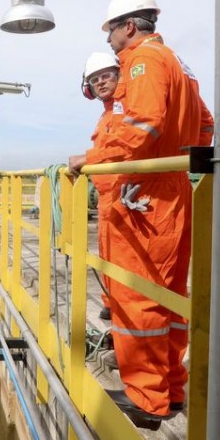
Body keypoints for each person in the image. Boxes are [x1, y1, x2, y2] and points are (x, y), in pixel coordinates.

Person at [87, 0, 214, 424]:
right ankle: (171, 391)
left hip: (141, 195)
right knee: (168, 297)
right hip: (172, 189)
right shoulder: (179, 65)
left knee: (135, 296)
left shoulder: (142, 62)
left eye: (111, 32)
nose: (109, 42)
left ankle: (146, 401)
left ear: (128, 26)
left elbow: (142, 125)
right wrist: (175, 163)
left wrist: (92, 161)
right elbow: (205, 125)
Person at [69, 51, 124, 324]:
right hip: (108, 198)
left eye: (106, 76)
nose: (101, 83)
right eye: (95, 79)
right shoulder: (106, 115)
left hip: (126, 197)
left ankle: (124, 318)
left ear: (119, 77)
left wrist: (86, 159)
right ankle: (111, 302)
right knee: (107, 256)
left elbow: (124, 148)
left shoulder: (126, 109)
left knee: (126, 262)